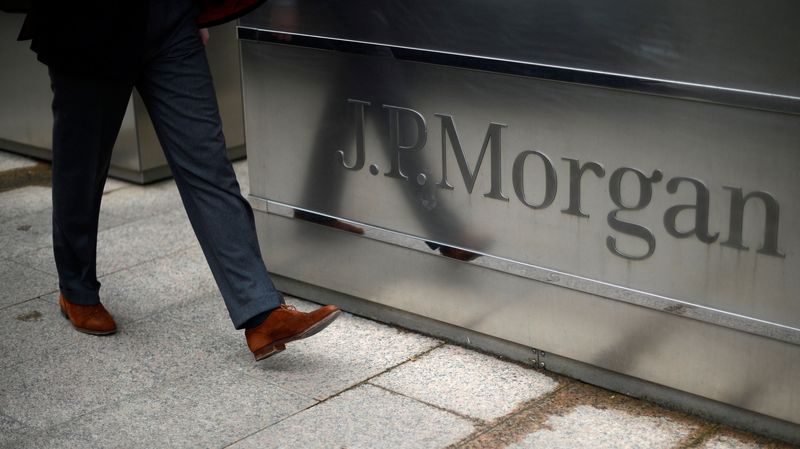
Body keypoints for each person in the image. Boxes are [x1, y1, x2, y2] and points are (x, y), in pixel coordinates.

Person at [14, 0, 340, 361]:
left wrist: (197, 12)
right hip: (88, 26)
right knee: (83, 167)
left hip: (168, 20)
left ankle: (261, 312)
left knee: (209, 166)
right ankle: (76, 289)